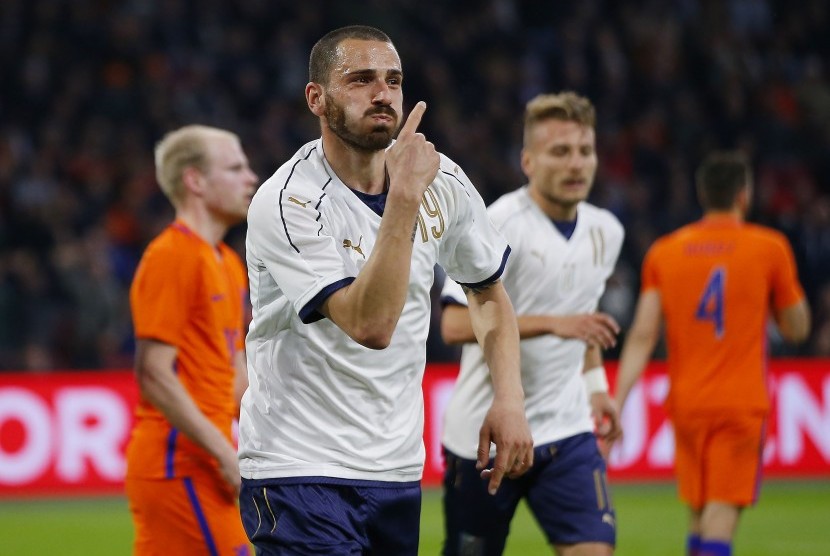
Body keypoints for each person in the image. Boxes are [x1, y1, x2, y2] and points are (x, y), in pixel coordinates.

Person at [237, 25, 533, 555]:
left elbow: (487, 293)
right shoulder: (289, 200)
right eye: (360, 79)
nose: (382, 93)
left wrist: (510, 400)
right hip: (300, 468)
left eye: (393, 80)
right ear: (316, 99)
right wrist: (403, 201)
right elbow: (369, 326)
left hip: (395, 469)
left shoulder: (443, 181)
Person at [439, 92, 624, 556]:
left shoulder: (607, 230)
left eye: (585, 151)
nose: (576, 164)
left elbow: (583, 319)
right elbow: (455, 326)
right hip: (485, 436)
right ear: (528, 160)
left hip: (567, 428)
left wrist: (597, 384)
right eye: (560, 152)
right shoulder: (499, 222)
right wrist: (553, 324)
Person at [614, 151, 811, 556]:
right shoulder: (769, 247)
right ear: (744, 194)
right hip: (740, 403)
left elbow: (642, 335)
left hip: (686, 404)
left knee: (699, 510)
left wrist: (617, 401)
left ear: (703, 194)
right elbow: (797, 328)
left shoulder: (664, 252)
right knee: (722, 513)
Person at [125, 125, 258, 555]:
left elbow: (235, 374)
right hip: (178, 465)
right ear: (195, 181)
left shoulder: (228, 263)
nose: (250, 178)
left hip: (209, 464)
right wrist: (223, 453)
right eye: (235, 168)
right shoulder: (171, 256)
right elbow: (153, 375)